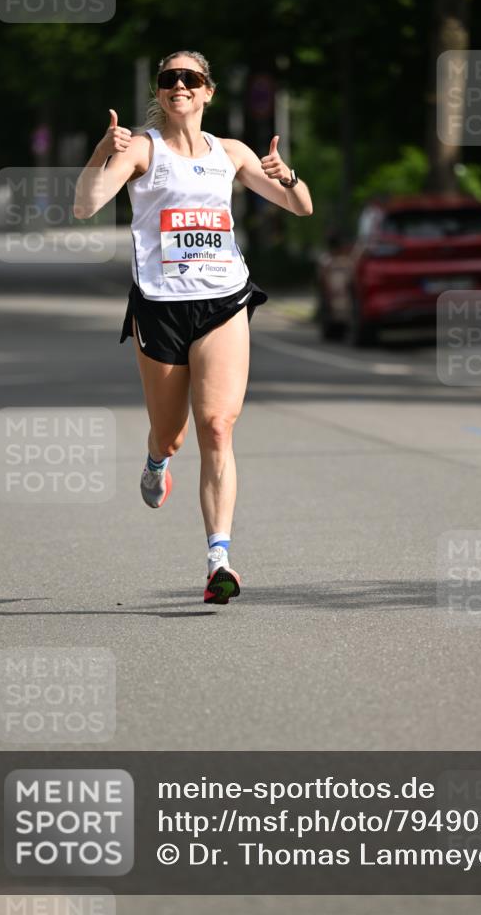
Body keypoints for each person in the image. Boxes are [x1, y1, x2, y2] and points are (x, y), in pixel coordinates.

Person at [74, 49, 313, 604]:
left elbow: (300, 206)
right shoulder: (141, 149)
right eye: (169, 78)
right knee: (172, 433)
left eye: (190, 78)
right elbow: (86, 205)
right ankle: (156, 460)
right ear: (159, 91)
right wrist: (100, 153)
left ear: (208, 91)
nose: (179, 85)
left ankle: (218, 560)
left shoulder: (231, 152)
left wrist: (288, 175)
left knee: (217, 426)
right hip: (160, 306)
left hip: (223, 300)